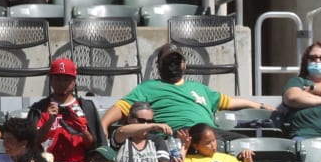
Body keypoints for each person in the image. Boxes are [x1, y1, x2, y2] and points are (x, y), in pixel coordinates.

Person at [102, 43, 264, 133]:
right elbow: (120, 108)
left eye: (176, 61)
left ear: (184, 64)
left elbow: (230, 102)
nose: (173, 65)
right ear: (158, 66)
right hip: (179, 134)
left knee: (243, 144)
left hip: (210, 134)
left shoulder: (200, 88)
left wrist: (260, 106)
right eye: (168, 62)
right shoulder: (148, 88)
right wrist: (104, 125)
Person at [27, 58, 104, 162]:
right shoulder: (39, 108)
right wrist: (49, 122)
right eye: (58, 79)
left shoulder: (85, 107)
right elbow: (32, 143)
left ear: (74, 81)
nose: (62, 83)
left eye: (66, 79)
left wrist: (83, 131)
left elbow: (94, 146)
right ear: (51, 80)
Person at [110, 102, 183, 162]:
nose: (146, 125)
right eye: (141, 121)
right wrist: (152, 126)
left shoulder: (156, 140)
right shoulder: (122, 137)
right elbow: (122, 131)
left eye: (149, 121)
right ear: (129, 119)